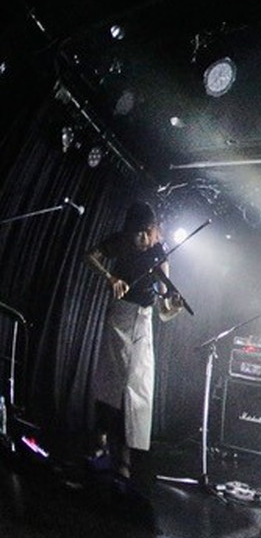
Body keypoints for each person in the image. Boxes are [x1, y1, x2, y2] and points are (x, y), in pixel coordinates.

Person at [85, 201, 183, 480]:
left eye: (144, 234)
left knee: (137, 386)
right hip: (120, 315)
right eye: (134, 234)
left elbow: (164, 311)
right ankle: (101, 441)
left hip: (143, 320)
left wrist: (174, 306)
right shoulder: (121, 241)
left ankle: (126, 454)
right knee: (111, 380)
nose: (139, 240)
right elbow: (89, 256)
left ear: (153, 230)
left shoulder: (160, 253)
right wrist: (110, 277)